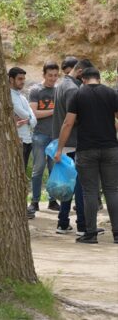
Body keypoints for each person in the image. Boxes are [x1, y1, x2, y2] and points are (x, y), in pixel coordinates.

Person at [54, 67, 118, 244]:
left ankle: (90, 233)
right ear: (99, 78)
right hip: (111, 149)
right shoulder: (111, 93)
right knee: (112, 191)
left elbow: (68, 124)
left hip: (86, 150)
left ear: (83, 79)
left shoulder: (78, 95)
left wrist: (60, 149)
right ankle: (117, 234)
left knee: (89, 192)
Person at [51, 59, 101, 236]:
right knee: (81, 185)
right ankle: (83, 225)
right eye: (84, 76)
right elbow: (73, 119)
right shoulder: (73, 89)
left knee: (69, 184)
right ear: (79, 72)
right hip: (73, 142)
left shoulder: (62, 84)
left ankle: (63, 223)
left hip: (65, 142)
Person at [27, 62, 60, 213]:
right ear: (43, 75)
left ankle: (52, 200)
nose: (53, 79)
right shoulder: (35, 90)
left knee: (53, 169)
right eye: (50, 75)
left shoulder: (59, 90)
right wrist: (55, 110)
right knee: (38, 169)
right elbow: (34, 113)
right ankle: (35, 201)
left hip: (55, 136)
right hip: (39, 135)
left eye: (55, 75)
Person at [9, 67, 37, 219]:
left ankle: (21, 207)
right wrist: (29, 118)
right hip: (17, 140)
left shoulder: (22, 97)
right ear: (11, 79)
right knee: (18, 176)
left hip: (27, 140)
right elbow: (23, 113)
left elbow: (33, 119)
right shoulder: (9, 96)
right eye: (19, 79)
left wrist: (29, 120)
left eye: (23, 79)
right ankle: (19, 208)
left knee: (22, 175)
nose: (22, 82)